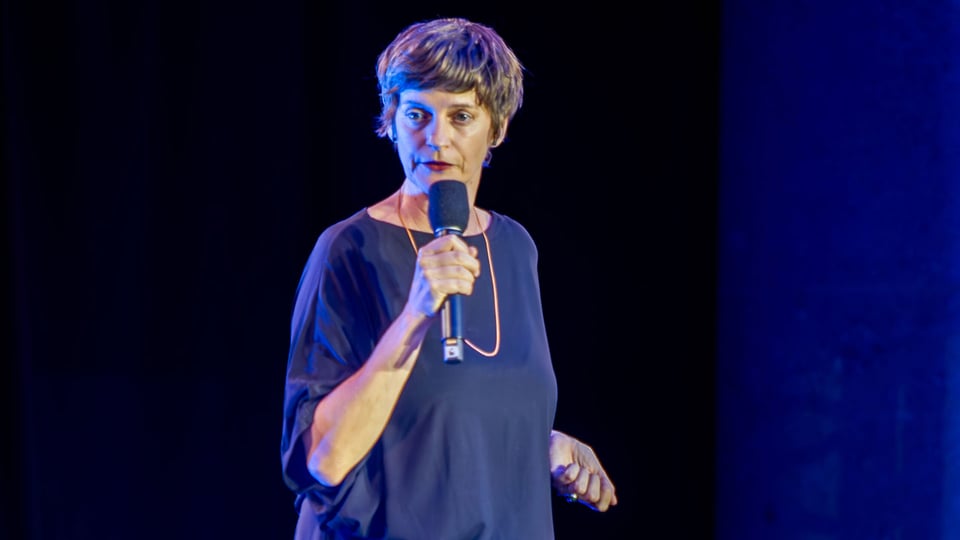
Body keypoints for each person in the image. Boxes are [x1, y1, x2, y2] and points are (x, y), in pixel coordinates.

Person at [280, 16, 618, 539]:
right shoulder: (350, 250)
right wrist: (417, 310)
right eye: (417, 114)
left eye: (461, 116)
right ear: (391, 121)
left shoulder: (514, 247)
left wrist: (538, 443)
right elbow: (323, 459)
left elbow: (455, 409)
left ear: (497, 128)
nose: (436, 138)